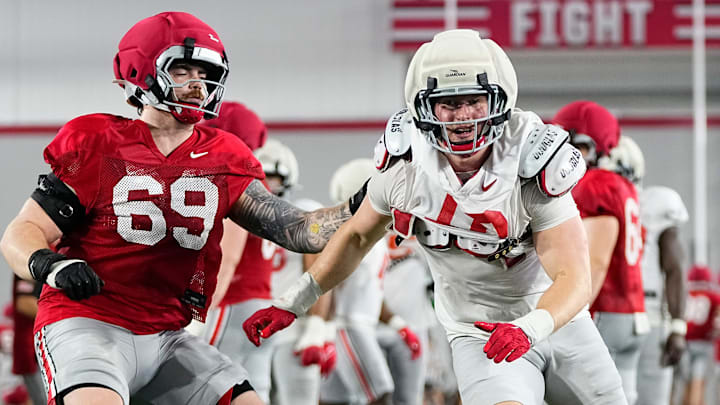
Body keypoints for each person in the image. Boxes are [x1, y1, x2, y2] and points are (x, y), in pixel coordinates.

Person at [244, 29, 626, 405]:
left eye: (474, 100)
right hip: (476, 330)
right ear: (424, 107)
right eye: (448, 103)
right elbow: (357, 237)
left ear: (498, 100)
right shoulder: (403, 170)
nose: (462, 117)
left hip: (555, 319)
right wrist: (295, 300)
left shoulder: (531, 163)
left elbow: (574, 276)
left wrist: (530, 327)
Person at [0, 12, 358, 405]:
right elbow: (23, 230)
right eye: (183, 69)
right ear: (141, 70)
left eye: (205, 72)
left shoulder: (224, 155)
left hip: (168, 336)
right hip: (87, 324)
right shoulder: (96, 142)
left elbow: (298, 230)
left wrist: (368, 203)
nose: (197, 83)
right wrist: (51, 264)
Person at [553, 102, 646, 405]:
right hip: (631, 312)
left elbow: (596, 260)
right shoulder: (623, 186)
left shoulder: (596, 185)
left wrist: (568, 313)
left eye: (577, 146)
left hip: (605, 310)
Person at [320, 158, 422, 405]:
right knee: (380, 394)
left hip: (359, 324)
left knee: (344, 399)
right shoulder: (347, 235)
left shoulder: (376, 239)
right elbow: (327, 285)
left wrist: (397, 323)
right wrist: (322, 331)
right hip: (347, 325)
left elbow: (371, 292)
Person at [599, 136, 690, 405]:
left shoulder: (656, 203)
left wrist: (678, 326)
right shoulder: (596, 203)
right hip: (611, 314)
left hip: (646, 316)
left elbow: (675, 269)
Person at [376, 234, 433, 405]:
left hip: (413, 326)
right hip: (370, 326)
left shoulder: (428, 220)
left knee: (408, 399)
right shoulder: (364, 217)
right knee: (369, 395)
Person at [679, 265, 720, 405]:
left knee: (686, 382)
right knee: (698, 380)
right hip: (703, 343)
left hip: (684, 341)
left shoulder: (686, 293)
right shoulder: (713, 296)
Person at [11, 276, 45, 405]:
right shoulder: (27, 264)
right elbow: (23, 303)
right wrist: (58, 312)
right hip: (31, 351)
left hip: (47, 347)